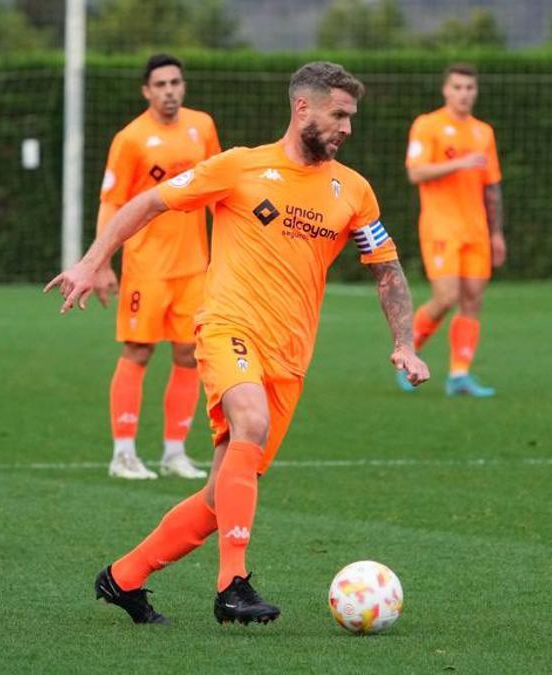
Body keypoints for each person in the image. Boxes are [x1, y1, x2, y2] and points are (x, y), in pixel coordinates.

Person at [47, 62, 430, 625]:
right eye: (339, 114)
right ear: (304, 108)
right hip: (229, 327)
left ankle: (123, 577)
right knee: (249, 421)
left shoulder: (353, 191)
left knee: (217, 499)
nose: (348, 127)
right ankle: (234, 586)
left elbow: (388, 269)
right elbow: (149, 202)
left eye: (352, 117)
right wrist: (91, 260)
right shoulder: (240, 167)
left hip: (290, 356)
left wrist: (405, 342)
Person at [94, 54, 221, 481]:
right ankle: (123, 453)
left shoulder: (201, 126)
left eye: (175, 83)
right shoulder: (131, 138)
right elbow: (112, 201)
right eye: (161, 84)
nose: (169, 90)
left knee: (189, 354)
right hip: (146, 266)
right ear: (146, 91)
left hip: (194, 267)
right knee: (139, 351)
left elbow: (220, 186)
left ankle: (174, 452)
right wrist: (101, 261)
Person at [402, 63, 506, 397]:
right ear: (446, 90)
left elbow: (492, 187)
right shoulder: (427, 125)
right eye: (458, 87)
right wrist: (459, 163)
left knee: (472, 300)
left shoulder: (483, 132)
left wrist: (496, 232)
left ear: (476, 92)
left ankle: (459, 375)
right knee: (446, 297)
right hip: (441, 226)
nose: (464, 94)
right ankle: (407, 355)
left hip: (476, 230)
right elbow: (415, 173)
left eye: (469, 88)